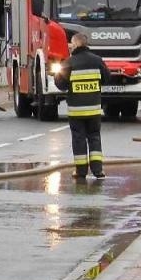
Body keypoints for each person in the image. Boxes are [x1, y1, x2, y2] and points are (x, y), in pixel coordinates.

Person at [54, 31, 110, 181]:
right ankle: (98, 170)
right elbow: (106, 78)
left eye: (71, 45)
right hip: (94, 109)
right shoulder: (98, 61)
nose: (70, 47)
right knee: (94, 138)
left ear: (75, 45)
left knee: (79, 139)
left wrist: (58, 74)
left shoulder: (68, 63)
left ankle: (81, 171)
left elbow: (61, 85)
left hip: (76, 111)